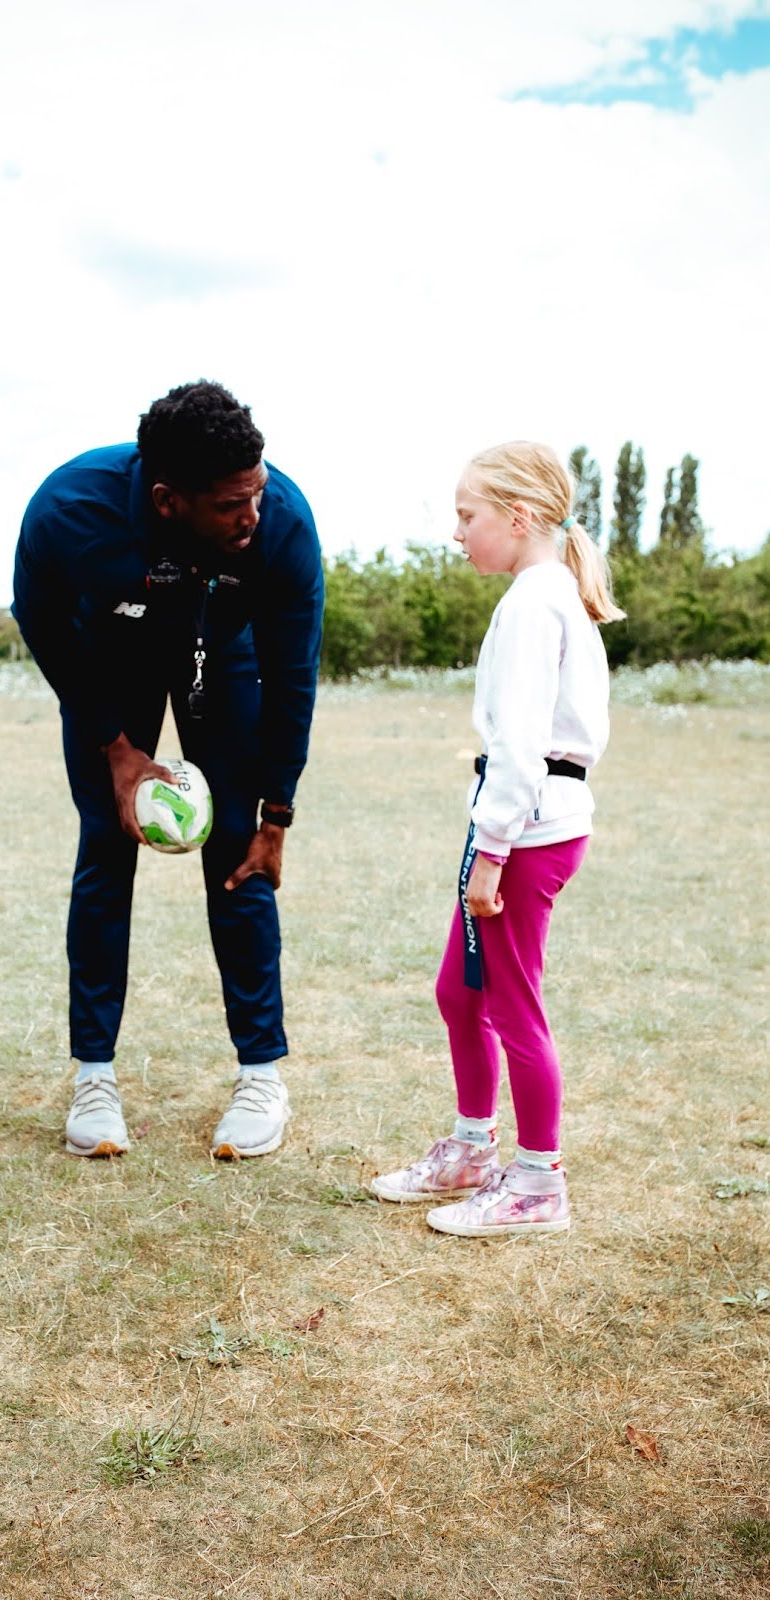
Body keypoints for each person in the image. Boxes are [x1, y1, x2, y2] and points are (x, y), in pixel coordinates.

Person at [14, 380, 323, 1159]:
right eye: (228, 503)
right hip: (109, 663)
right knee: (105, 852)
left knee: (238, 862)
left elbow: (294, 676)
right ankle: (93, 1075)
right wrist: (116, 749)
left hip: (222, 664)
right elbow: (42, 623)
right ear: (165, 499)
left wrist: (275, 814)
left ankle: (260, 1076)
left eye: (255, 490)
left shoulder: (280, 521)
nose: (251, 513)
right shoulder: (69, 510)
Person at [371, 441, 624, 1236]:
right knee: (461, 992)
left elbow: (521, 747)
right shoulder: (542, 594)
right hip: (518, 823)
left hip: (527, 831)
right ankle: (474, 1149)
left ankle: (537, 1185)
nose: (457, 533)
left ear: (517, 518)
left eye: (465, 515)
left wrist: (490, 852)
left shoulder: (533, 602)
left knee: (512, 1005)